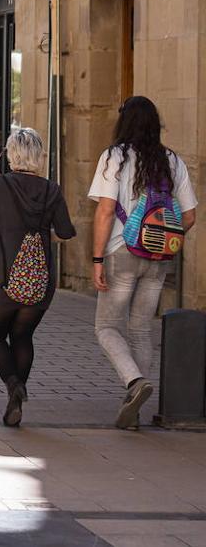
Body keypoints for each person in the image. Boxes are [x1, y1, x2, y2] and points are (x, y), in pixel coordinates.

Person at [89, 96, 197, 430]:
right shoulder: (172, 161)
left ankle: (135, 382)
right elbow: (189, 216)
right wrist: (164, 238)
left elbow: (105, 211)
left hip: (122, 251)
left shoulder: (115, 157)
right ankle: (133, 408)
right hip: (158, 257)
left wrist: (96, 259)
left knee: (106, 327)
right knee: (140, 328)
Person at [0, 128, 75, 428]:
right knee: (23, 336)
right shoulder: (51, 190)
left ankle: (13, 384)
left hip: (0, 277)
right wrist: (43, 234)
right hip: (38, 280)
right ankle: (15, 396)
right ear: (39, 156)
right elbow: (66, 232)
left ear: (11, 155)